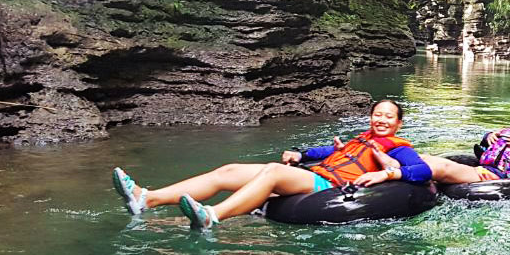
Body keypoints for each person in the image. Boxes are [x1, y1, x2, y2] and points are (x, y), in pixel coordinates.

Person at [111, 99, 431, 229]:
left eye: (389, 116)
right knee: (230, 170)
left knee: (273, 172)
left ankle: (212, 216)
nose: (382, 119)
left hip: (330, 187)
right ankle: (147, 198)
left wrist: (386, 173)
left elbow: (422, 172)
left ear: (398, 123)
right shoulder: (360, 138)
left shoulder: (400, 148)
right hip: (315, 173)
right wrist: (301, 154)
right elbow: (325, 152)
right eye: (378, 114)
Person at [421, 104, 510, 183]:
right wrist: (488, 137)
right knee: (426, 157)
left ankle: (403, 173)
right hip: (482, 169)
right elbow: (484, 151)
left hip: (492, 176)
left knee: (443, 169)